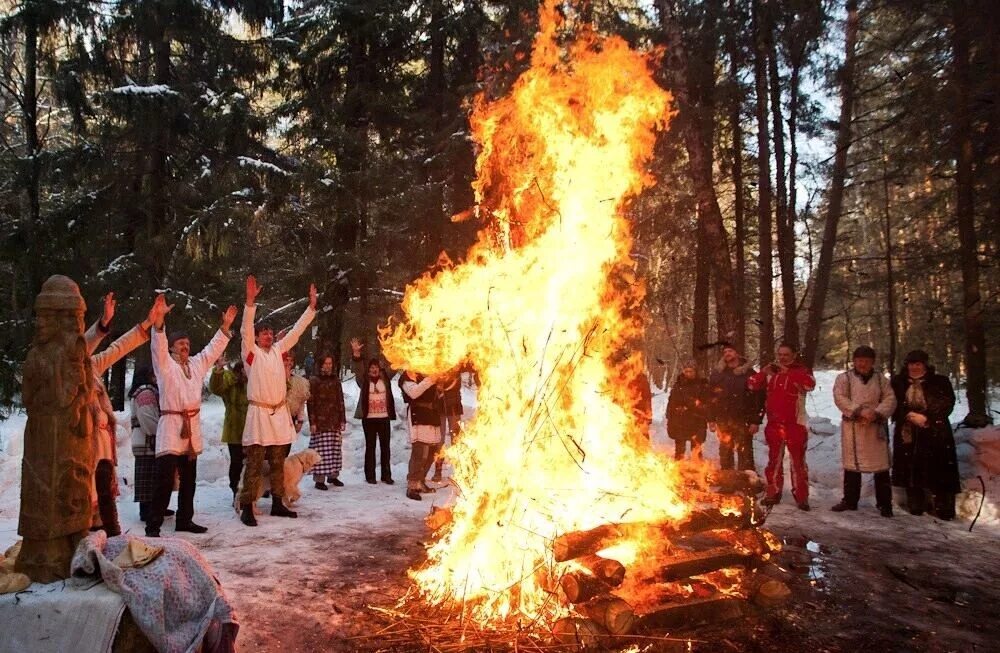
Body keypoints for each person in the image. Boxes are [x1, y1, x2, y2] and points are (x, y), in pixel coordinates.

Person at [146, 294, 236, 537]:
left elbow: (211, 350)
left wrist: (225, 327)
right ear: (172, 347)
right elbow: (158, 348)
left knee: (189, 480)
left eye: (187, 343)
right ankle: (153, 524)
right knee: (164, 480)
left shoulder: (196, 364)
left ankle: (185, 519)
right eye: (180, 344)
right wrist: (159, 323)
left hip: (191, 427)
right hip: (171, 425)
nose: (185, 346)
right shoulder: (165, 366)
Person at [238, 275, 317, 526]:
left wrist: (311, 308)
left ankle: (277, 503)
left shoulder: (278, 351)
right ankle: (247, 507)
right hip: (259, 416)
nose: (268, 336)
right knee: (253, 465)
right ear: (257, 337)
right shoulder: (252, 355)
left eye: (270, 333)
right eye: (263, 333)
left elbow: (296, 332)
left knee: (277, 464)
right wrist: (250, 303)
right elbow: (244, 332)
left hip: (279, 416)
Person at [85, 292, 160, 536]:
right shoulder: (64, 367)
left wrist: (148, 323)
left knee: (104, 500)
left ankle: (106, 539)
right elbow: (78, 347)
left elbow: (119, 348)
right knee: (87, 499)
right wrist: (102, 325)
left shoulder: (92, 366)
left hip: (103, 448)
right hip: (83, 450)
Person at [890, 349, 960, 520]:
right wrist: (907, 414)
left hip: (935, 430)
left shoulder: (939, 381)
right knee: (911, 467)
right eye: (911, 364)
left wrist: (927, 417)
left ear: (925, 365)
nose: (914, 367)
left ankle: (944, 507)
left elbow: (947, 402)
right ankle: (916, 504)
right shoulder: (898, 382)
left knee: (940, 468)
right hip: (908, 431)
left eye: (918, 364)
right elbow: (891, 402)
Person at [748, 342, 816, 510]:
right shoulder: (772, 371)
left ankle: (801, 497)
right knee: (773, 462)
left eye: (786, 354)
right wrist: (763, 372)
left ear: (794, 355)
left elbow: (810, 385)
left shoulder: (801, 371)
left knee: (798, 463)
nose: (782, 358)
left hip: (795, 425)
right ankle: (773, 492)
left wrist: (789, 373)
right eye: (780, 354)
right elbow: (752, 384)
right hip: (774, 424)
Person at [831, 346, 898, 517]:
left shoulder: (881, 379)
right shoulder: (844, 378)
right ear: (854, 361)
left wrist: (877, 413)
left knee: (881, 467)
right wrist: (859, 411)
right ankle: (850, 500)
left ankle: (884, 503)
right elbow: (840, 397)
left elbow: (890, 398)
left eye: (866, 361)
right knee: (852, 466)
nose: (863, 364)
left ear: (872, 362)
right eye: (859, 360)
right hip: (854, 427)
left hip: (875, 427)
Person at [707, 344, 765, 471]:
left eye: (731, 351)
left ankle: (747, 483)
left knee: (745, 453)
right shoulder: (718, 374)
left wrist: (755, 421)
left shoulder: (749, 373)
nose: (727, 353)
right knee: (725, 452)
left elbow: (759, 399)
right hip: (723, 419)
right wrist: (711, 419)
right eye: (725, 351)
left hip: (742, 419)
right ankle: (728, 481)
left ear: (737, 353)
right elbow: (711, 397)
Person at [351, 338, 397, 485]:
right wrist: (356, 353)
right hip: (369, 418)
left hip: (383, 417)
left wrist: (397, 352)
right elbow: (358, 368)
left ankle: (386, 475)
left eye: (376, 367)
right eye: (371, 368)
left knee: (385, 447)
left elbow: (394, 367)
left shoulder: (385, 378)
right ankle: (370, 475)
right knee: (370, 447)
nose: (374, 370)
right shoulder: (364, 380)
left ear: (379, 368)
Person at [209, 359, 249, 499]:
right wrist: (218, 370)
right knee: (237, 463)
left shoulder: (257, 380)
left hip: (256, 429)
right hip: (235, 429)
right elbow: (216, 388)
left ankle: (254, 491)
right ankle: (236, 491)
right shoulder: (230, 379)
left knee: (255, 463)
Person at [308, 354, 347, 489]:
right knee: (321, 451)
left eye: (330, 363)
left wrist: (342, 419)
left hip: (334, 420)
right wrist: (312, 422)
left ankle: (333, 476)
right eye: (326, 363)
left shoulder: (336, 380)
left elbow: (340, 400)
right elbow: (310, 403)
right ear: (321, 365)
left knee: (334, 450)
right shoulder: (314, 380)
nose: (328, 366)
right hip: (321, 421)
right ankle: (319, 479)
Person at [129, 366, 163, 523]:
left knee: (151, 477)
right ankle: (147, 510)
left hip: (145, 441)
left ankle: (154, 507)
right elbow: (148, 419)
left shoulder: (146, 392)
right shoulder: (146, 394)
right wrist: (161, 431)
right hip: (147, 442)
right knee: (148, 477)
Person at [400, 370, 440, 501]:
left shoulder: (425, 370)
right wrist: (431, 379)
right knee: (419, 452)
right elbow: (414, 392)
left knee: (433, 451)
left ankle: (420, 481)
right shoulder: (407, 375)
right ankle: (412, 485)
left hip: (432, 413)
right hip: (418, 414)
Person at [666, 361, 710, 461]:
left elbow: (705, 403)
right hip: (679, 421)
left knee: (696, 450)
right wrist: (669, 416)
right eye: (686, 371)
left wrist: (690, 407)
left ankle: (698, 471)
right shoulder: (678, 385)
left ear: (695, 372)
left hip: (696, 421)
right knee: (679, 451)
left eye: (691, 371)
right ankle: (678, 471)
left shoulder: (702, 385)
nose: (688, 373)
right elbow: (672, 402)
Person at [432, 369, 463, 482]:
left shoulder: (454, 363)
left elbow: (455, 383)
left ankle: (461, 471)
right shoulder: (435, 365)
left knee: (456, 439)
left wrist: (442, 385)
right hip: (439, 407)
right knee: (439, 440)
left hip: (453, 406)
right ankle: (438, 470)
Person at [284, 351, 311, 436]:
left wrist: (300, 420)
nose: (289, 363)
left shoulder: (298, 382)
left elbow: (301, 402)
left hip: (290, 419)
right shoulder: (272, 379)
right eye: (286, 360)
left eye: (291, 360)